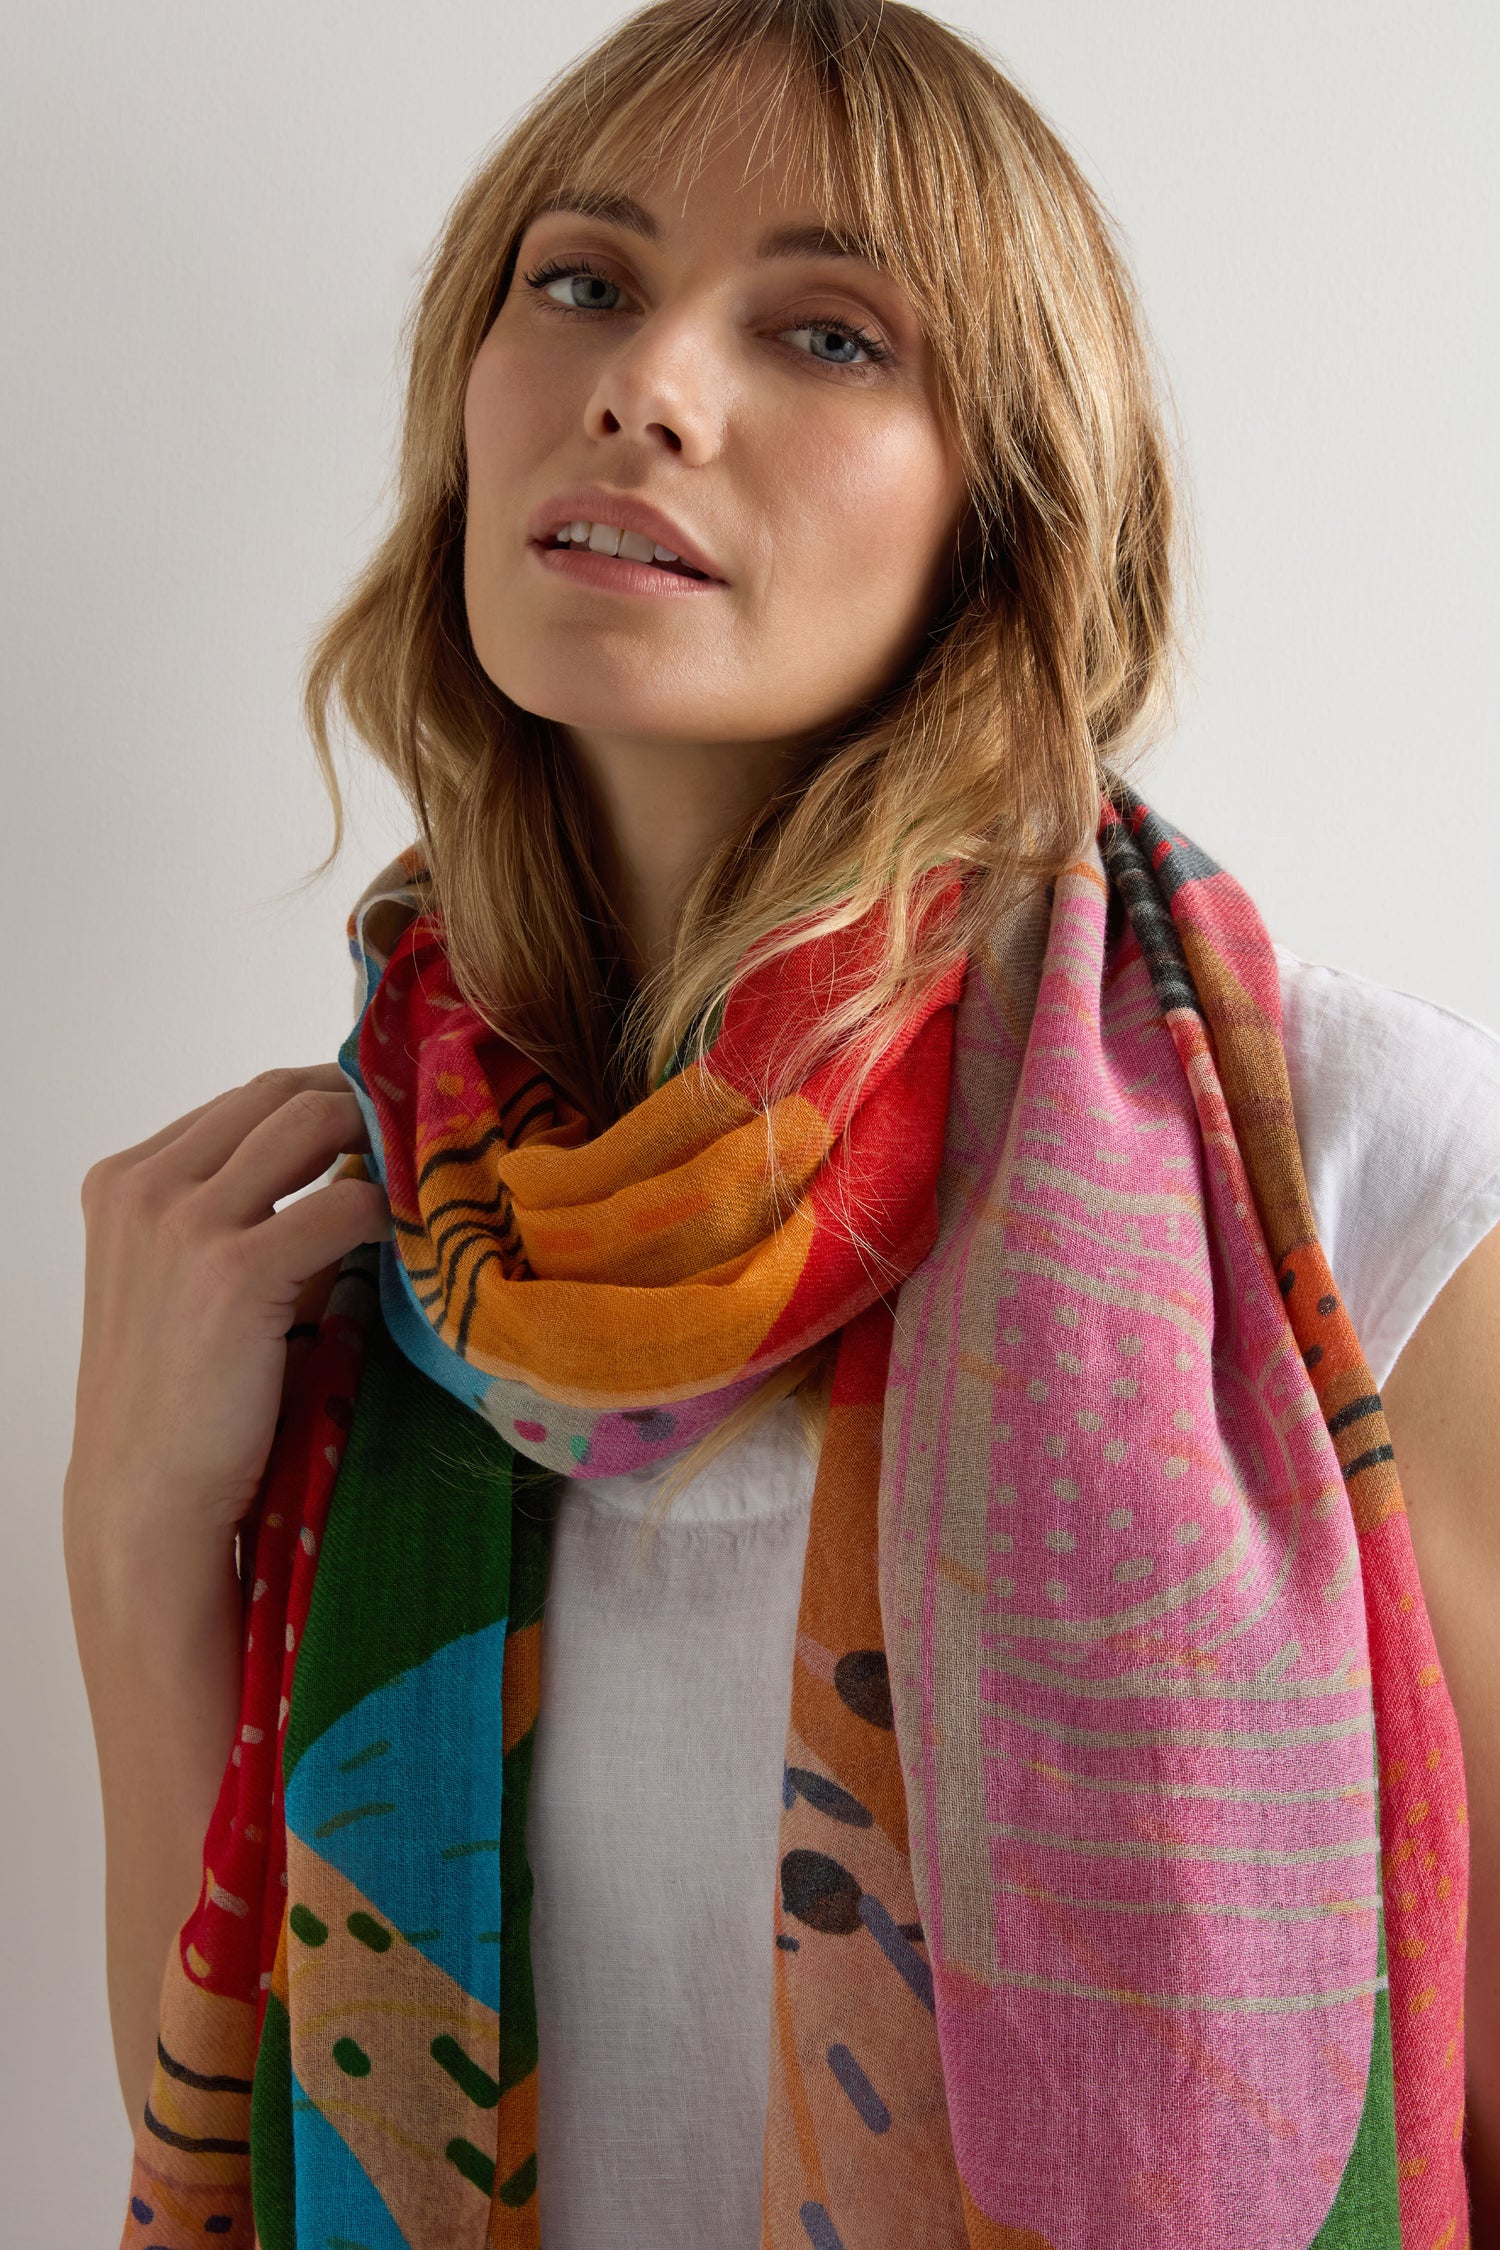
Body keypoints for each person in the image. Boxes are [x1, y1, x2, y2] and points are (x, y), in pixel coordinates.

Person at [64, 3, 1500, 2246]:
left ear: (1005, 513)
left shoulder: (1336, 1160)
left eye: (828, 333)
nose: (650, 383)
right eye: (581, 282)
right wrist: (136, 1540)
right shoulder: (365, 1236)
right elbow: (237, 2140)